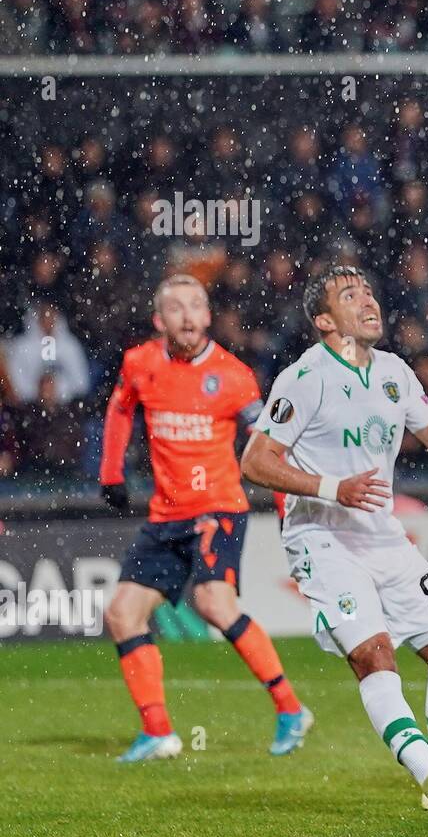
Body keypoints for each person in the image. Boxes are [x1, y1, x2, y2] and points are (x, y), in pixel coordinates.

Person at [240, 265, 428, 819]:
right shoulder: (305, 377)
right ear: (323, 320)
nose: (367, 299)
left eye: (368, 289)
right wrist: (332, 487)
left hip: (381, 534)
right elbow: (256, 461)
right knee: (373, 652)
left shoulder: (394, 371)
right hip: (320, 536)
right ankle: (427, 775)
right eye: (349, 295)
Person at [100, 275, 311, 763]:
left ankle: (290, 708)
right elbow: (119, 410)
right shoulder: (140, 363)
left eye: (196, 305)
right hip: (165, 514)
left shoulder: (234, 376)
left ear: (209, 316)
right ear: (159, 320)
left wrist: (284, 509)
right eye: (176, 308)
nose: (188, 316)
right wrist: (110, 473)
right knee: (122, 614)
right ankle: (158, 732)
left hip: (219, 507)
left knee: (214, 603)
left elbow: (266, 448)